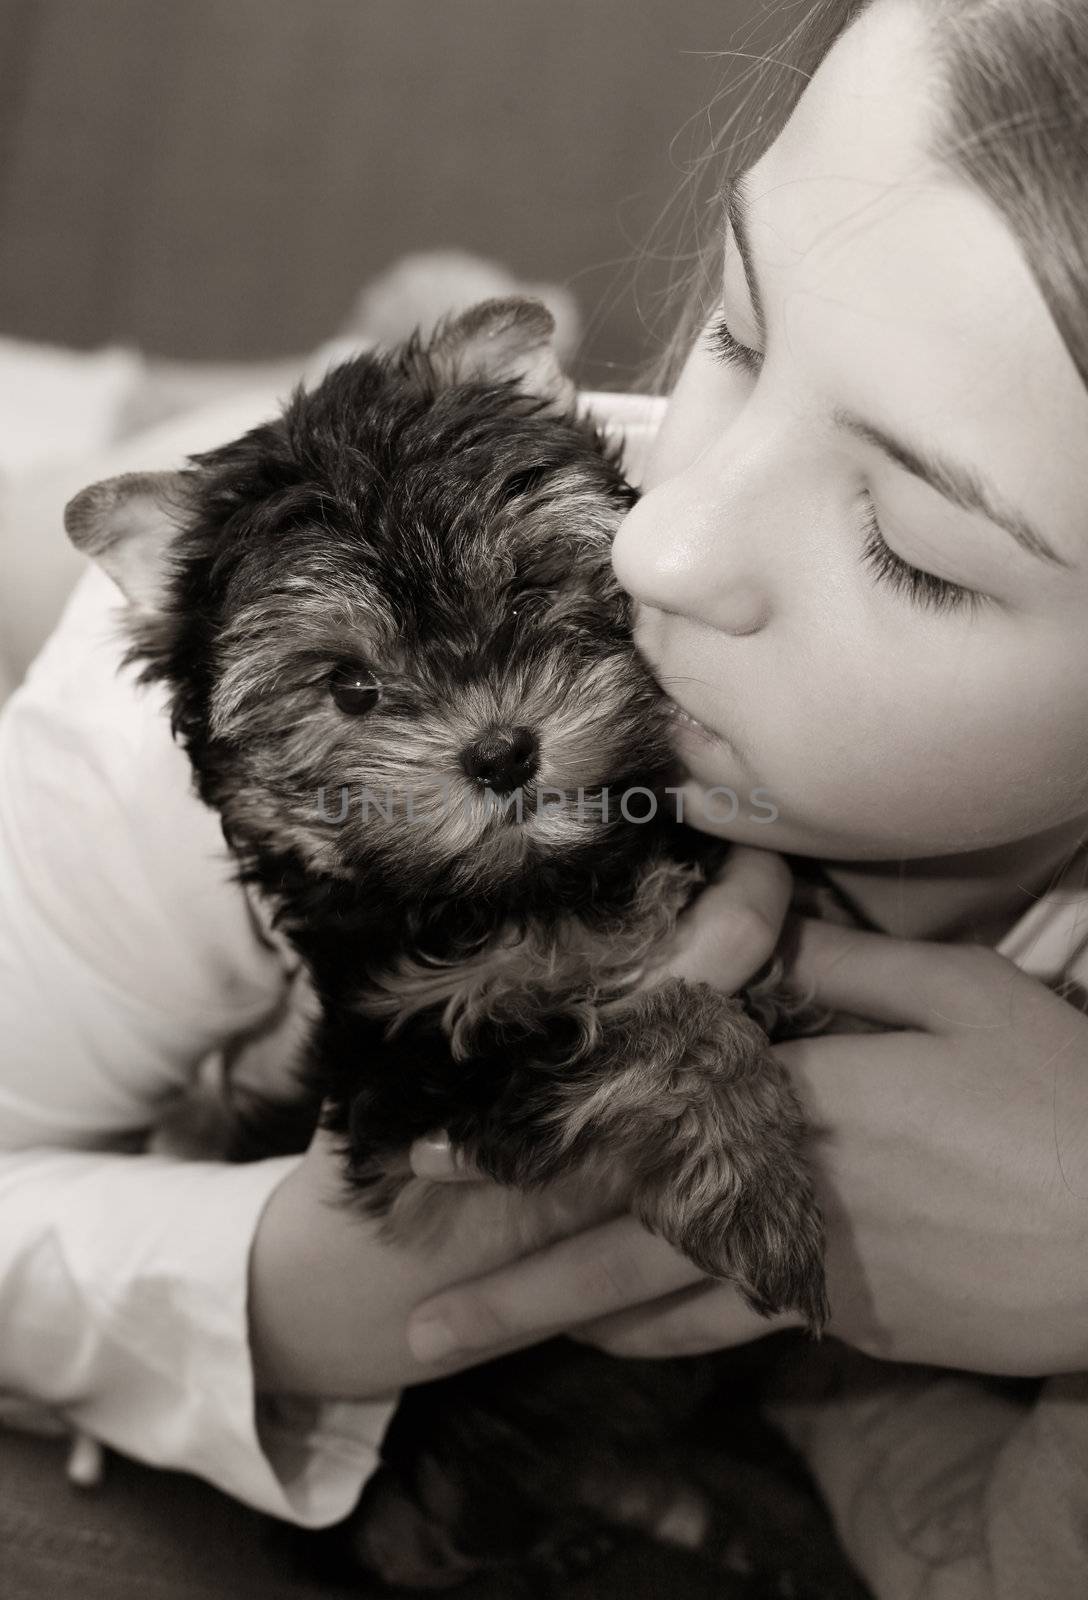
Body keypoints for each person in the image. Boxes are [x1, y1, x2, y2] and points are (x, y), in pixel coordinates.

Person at [2, 0, 1086, 1595]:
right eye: (736, 328)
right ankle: (192, 388)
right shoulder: (208, 692)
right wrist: (266, 1290)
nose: (658, 546)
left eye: (913, 547)